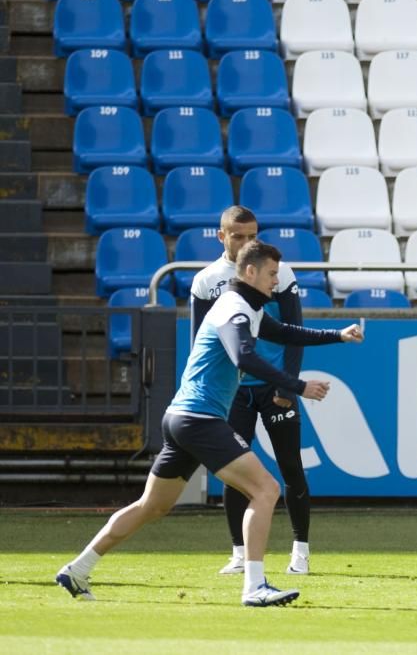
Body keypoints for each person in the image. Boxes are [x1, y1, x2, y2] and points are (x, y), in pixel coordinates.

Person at [56, 241, 364, 606]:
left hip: (181, 417)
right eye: (271, 274)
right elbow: (243, 356)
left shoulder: (246, 308)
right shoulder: (233, 308)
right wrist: (298, 385)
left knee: (151, 507)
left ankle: (77, 568)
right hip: (199, 418)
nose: (275, 282)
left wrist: (337, 336)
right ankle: (254, 586)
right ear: (250, 272)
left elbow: (284, 333)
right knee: (266, 489)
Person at [190, 206, 313, 576]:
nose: (247, 242)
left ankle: (301, 551)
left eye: (253, 235)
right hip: (232, 392)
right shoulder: (206, 281)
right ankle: (240, 553)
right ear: (221, 236)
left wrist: (286, 383)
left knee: (291, 466)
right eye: (239, 235)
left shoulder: (279, 272)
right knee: (232, 472)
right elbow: (200, 343)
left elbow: (294, 331)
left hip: (273, 387)